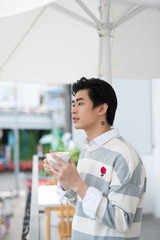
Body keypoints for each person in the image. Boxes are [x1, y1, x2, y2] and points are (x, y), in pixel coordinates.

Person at [43, 77, 147, 240]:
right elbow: (84, 206)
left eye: (80, 103)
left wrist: (77, 183)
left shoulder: (125, 155)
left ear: (101, 109)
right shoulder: (88, 150)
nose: (73, 110)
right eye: (73, 104)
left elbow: (122, 221)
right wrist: (65, 180)